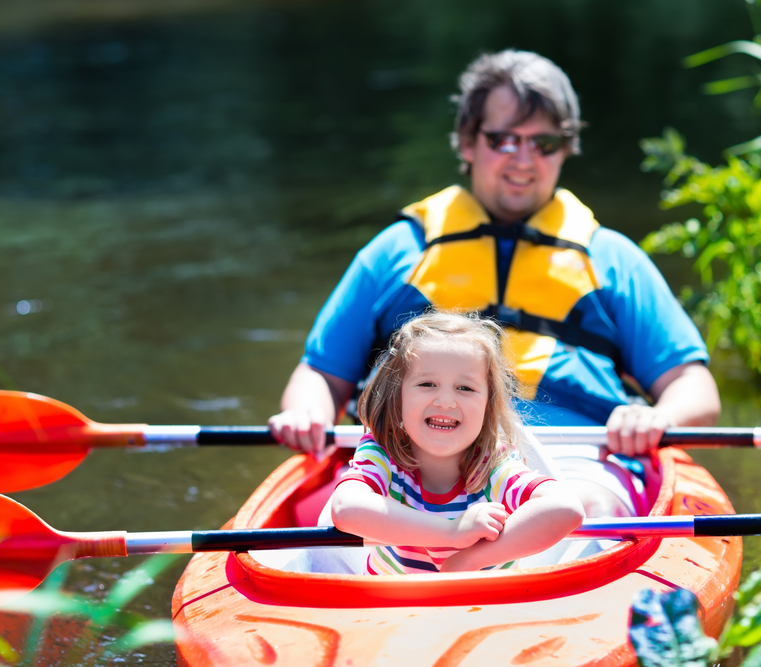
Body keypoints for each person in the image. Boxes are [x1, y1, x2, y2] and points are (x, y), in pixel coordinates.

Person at [270, 49, 720, 458]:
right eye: (504, 140)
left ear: (565, 149)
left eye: (543, 143)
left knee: (577, 505)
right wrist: (308, 413)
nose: (523, 159)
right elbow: (322, 376)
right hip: (412, 463)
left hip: (576, 460)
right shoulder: (396, 252)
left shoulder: (613, 260)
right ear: (468, 142)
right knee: (340, 516)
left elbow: (694, 388)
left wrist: (656, 418)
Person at [329, 311, 585, 573]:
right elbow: (345, 508)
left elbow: (566, 508)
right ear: (398, 397)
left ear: (488, 406)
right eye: (427, 383)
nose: (446, 401)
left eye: (465, 388)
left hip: (484, 610)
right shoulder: (383, 454)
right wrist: (452, 531)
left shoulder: (492, 465)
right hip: (395, 608)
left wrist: (467, 561)